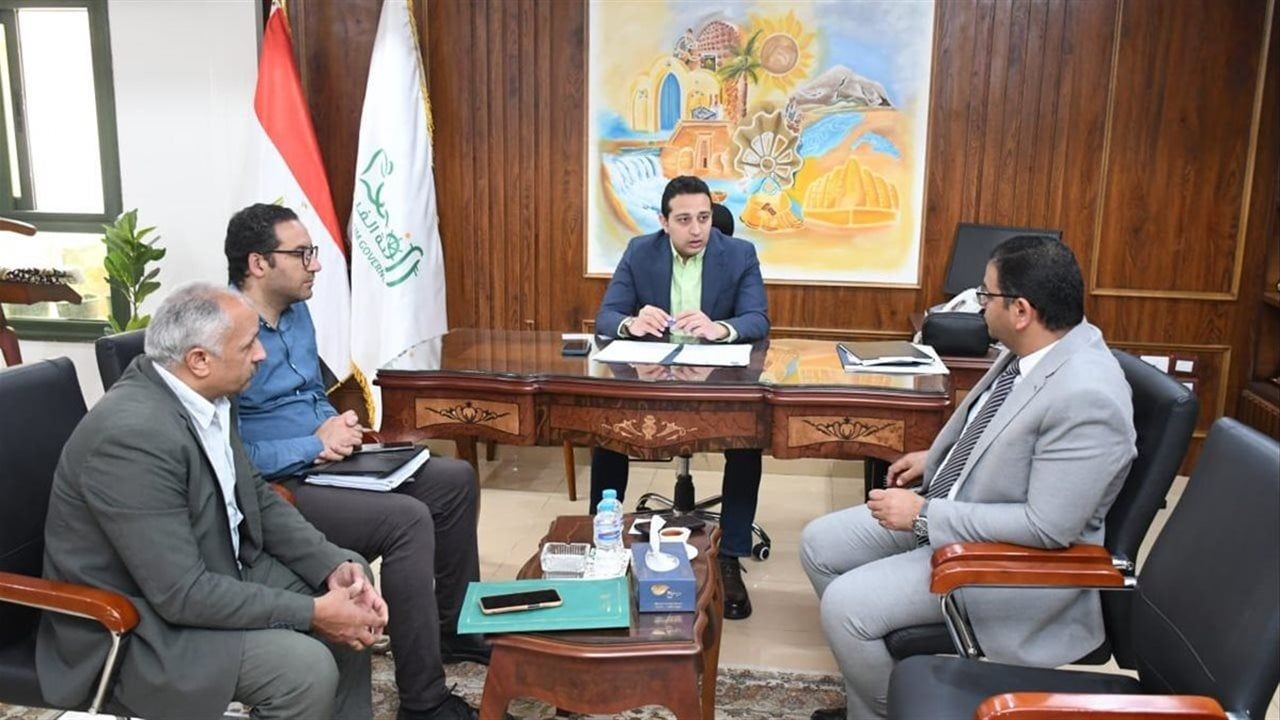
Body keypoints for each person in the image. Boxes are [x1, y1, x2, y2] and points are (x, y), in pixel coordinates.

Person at [800, 235, 1137, 720]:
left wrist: (924, 515)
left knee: (844, 608)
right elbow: (999, 429)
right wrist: (935, 459)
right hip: (957, 507)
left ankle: (890, 711)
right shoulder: (1035, 348)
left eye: (986, 294)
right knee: (819, 544)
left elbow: (1047, 528)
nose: (979, 306)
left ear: (1020, 310)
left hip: (1010, 562)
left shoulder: (1088, 396)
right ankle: (870, 694)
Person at [38, 283, 387, 720]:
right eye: (248, 344)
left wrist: (331, 565)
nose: (262, 354)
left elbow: (256, 496)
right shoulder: (130, 437)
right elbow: (181, 594)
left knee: (351, 586)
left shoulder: (208, 395)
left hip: (213, 568)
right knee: (304, 669)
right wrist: (313, 613)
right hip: (136, 623)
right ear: (199, 360)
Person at [226, 203, 482, 720]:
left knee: (454, 479)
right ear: (258, 263)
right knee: (407, 520)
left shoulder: (296, 312)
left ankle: (454, 633)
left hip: (325, 462)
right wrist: (312, 445)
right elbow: (230, 455)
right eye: (302, 254)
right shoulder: (224, 334)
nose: (316, 265)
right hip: (279, 488)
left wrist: (337, 424)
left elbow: (309, 394)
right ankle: (423, 700)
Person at [592, 176, 770, 620]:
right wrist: (631, 323)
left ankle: (729, 555)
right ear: (664, 221)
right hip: (654, 379)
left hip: (717, 383)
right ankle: (604, 547)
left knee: (746, 441)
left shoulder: (740, 254)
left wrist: (720, 328)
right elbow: (606, 316)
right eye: (685, 219)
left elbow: (757, 319)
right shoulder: (640, 251)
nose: (697, 229)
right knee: (606, 430)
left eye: (704, 218)